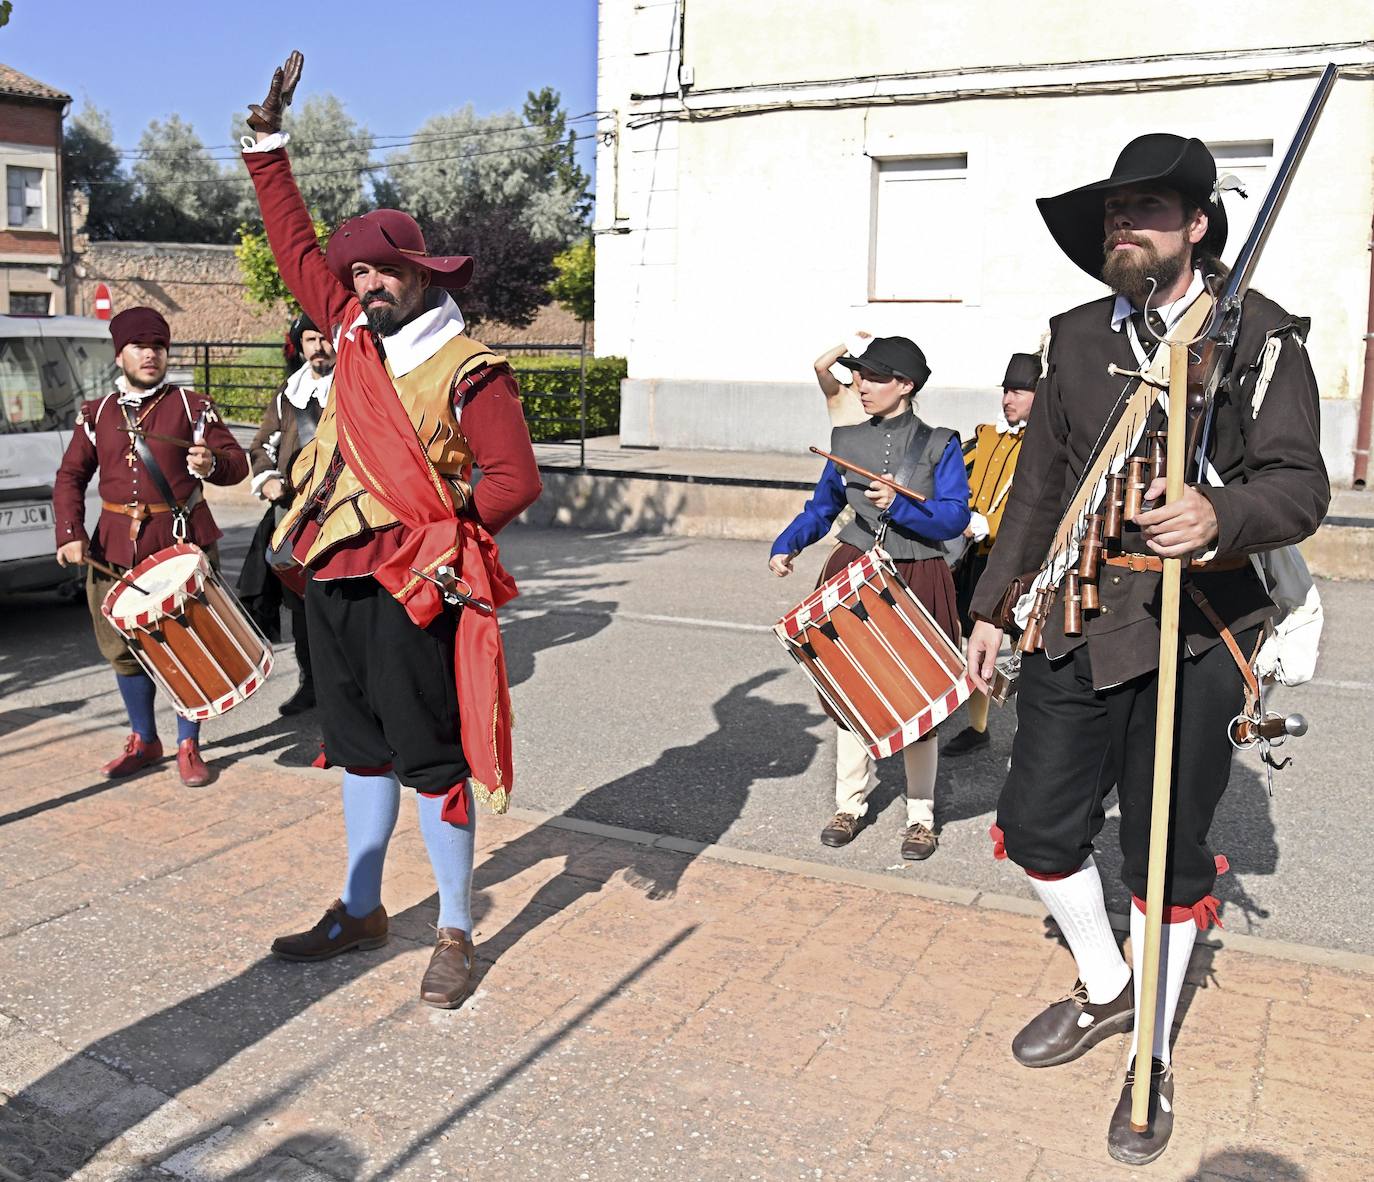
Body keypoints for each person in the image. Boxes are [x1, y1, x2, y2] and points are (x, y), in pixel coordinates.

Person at [963, 135, 1329, 1164]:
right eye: (1117, 213)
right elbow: (1039, 486)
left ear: (1197, 227)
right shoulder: (1076, 337)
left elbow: (1302, 486)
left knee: (1159, 861)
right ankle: (1111, 985)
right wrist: (993, 609)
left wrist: (1219, 511)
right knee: (1036, 826)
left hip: (1199, 632)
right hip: (1079, 621)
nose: (1129, 226)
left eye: (1152, 211)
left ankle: (1149, 1056)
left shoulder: (1260, 337)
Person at [240, 51, 542, 1008]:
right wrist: (269, 150)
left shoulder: (469, 366)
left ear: (419, 272)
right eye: (357, 271)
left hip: (411, 587)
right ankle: (361, 907)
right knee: (356, 748)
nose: (365, 284)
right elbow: (293, 245)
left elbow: (513, 479)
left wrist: (444, 544)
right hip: (330, 579)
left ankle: (454, 926)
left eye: (382, 270)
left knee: (429, 758)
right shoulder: (349, 335)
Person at [771, 336, 971, 861]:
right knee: (851, 690)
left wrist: (900, 504)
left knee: (919, 696)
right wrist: (786, 544)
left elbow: (954, 517)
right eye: (858, 375)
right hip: (854, 569)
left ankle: (921, 817)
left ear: (905, 385)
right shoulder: (844, 439)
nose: (860, 385)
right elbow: (821, 509)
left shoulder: (941, 443)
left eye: (874, 377)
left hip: (920, 574)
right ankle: (849, 804)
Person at [53, 306, 250, 786]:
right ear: (120, 354)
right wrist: (70, 533)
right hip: (113, 547)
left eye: (158, 347)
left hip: (180, 543)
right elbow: (71, 476)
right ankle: (144, 739)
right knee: (120, 647)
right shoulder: (96, 413)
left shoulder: (192, 406)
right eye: (140, 347)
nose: (151, 355)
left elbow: (236, 463)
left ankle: (188, 744)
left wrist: (212, 465)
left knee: (190, 643)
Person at [942, 350, 1041, 756]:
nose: (1008, 399)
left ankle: (1030, 739)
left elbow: (1043, 507)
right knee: (974, 641)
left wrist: (993, 525)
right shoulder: (984, 437)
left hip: (1026, 565)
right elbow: (955, 482)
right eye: (1005, 390)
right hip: (980, 559)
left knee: (1027, 650)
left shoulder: (1046, 445)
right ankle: (978, 727)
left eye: (1018, 391)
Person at [238, 312, 336, 715]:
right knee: (300, 604)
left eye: (325, 338)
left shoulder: (356, 385)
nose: (318, 347)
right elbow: (261, 445)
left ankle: (354, 692)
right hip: (296, 512)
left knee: (345, 600)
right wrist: (269, 479)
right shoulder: (288, 393)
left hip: (343, 510)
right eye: (310, 339)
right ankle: (311, 684)